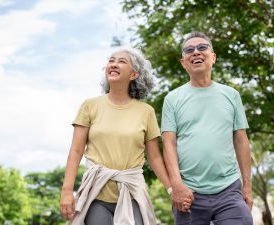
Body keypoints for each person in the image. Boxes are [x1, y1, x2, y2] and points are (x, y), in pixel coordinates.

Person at [59, 47, 190, 225]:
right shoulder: (90, 106)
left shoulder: (146, 112)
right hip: (96, 196)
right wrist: (67, 191)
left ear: (134, 74)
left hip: (132, 193)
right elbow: (75, 151)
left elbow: (154, 157)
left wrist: (171, 189)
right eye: (111, 60)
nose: (113, 64)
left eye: (121, 61)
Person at [161, 31, 253, 225]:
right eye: (189, 50)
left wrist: (247, 186)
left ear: (213, 57)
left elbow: (241, 140)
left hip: (229, 189)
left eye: (202, 48)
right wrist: (176, 185)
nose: (196, 52)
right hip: (189, 193)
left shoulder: (232, 95)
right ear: (183, 62)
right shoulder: (172, 99)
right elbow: (169, 143)